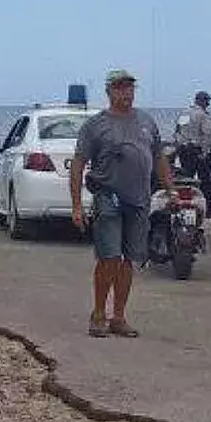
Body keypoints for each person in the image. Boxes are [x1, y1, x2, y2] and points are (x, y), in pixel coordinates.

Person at [69, 69, 177, 339]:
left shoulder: (146, 122)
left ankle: (118, 316)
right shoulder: (96, 125)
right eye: (119, 88)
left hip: (139, 200)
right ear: (109, 92)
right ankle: (97, 314)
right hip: (108, 198)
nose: (125, 93)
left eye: (129, 87)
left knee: (130, 260)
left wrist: (170, 190)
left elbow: (159, 158)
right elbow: (79, 163)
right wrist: (77, 206)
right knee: (109, 257)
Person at [173, 91, 211, 218]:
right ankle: (208, 210)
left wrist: (179, 146)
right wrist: (205, 152)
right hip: (197, 150)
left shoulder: (185, 113)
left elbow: (178, 131)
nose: (208, 103)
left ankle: (184, 207)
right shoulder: (203, 115)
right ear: (202, 101)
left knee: (186, 179)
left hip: (184, 149)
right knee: (205, 181)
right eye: (207, 101)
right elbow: (206, 134)